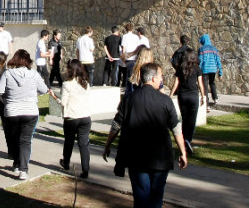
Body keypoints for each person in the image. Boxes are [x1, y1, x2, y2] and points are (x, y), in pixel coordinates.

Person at [104, 62, 188, 208]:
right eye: (161, 76)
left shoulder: (129, 99)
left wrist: (108, 145)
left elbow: (116, 124)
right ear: (153, 78)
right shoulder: (165, 101)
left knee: (141, 197)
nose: (162, 80)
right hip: (160, 158)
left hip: (137, 158)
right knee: (156, 197)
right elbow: (176, 128)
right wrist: (183, 152)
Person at [0, 49, 58, 181]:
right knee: (25, 140)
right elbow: (43, 89)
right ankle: (23, 169)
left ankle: (17, 164)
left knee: (14, 139)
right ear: (28, 61)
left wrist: (8, 96)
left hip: (12, 111)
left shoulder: (8, 73)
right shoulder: (34, 74)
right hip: (30, 111)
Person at [59, 59, 91, 178]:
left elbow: (63, 102)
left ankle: (66, 162)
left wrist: (56, 99)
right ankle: (85, 169)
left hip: (72, 117)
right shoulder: (86, 83)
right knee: (84, 144)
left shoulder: (67, 84)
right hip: (85, 116)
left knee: (69, 141)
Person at [170, 49, 205, 154]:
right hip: (193, 96)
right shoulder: (197, 68)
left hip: (182, 96)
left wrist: (170, 95)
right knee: (192, 120)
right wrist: (203, 96)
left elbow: (176, 83)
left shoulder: (181, 68)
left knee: (184, 119)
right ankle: (187, 140)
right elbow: (200, 83)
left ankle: (184, 140)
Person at [198, 34, 223, 108]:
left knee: (205, 86)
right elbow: (218, 60)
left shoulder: (202, 49)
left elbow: (200, 61)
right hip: (213, 70)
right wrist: (220, 72)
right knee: (212, 83)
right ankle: (215, 98)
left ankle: (206, 103)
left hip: (205, 70)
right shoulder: (214, 49)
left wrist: (198, 71)